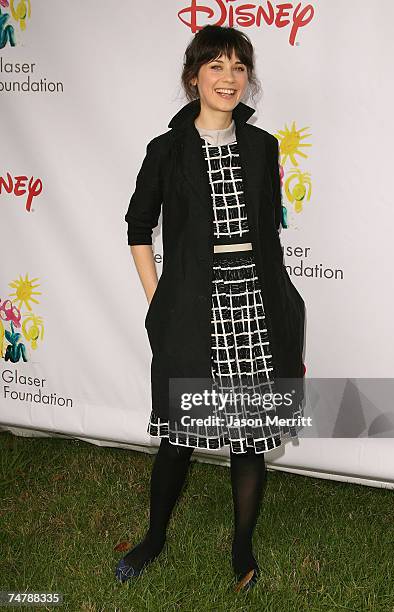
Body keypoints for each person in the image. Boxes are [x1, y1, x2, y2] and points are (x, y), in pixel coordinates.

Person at [116, 25, 306, 592]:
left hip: (255, 299)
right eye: (216, 67)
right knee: (180, 435)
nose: (228, 79)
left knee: (248, 436)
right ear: (193, 76)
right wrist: (160, 301)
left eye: (239, 68)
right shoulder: (166, 150)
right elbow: (137, 227)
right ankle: (154, 537)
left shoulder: (262, 146)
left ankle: (242, 545)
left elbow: (267, 234)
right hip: (191, 305)